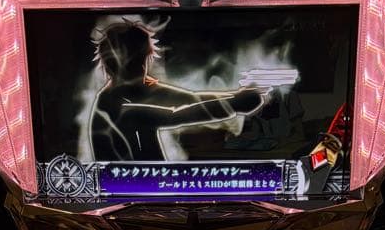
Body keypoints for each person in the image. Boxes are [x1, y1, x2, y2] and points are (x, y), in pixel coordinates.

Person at [89, 19, 266, 161]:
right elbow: (177, 115)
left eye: (144, 59)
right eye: (139, 60)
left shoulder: (137, 89)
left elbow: (189, 98)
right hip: (129, 185)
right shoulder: (112, 104)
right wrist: (235, 104)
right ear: (117, 63)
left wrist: (237, 96)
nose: (145, 67)